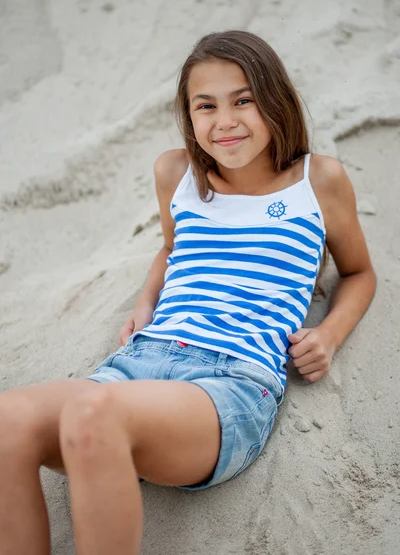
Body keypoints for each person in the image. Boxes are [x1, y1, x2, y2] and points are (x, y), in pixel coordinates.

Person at [0, 30, 376, 555]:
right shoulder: (176, 172)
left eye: (243, 100)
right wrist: (146, 301)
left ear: (276, 99)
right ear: (189, 114)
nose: (224, 120)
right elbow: (174, 248)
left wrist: (330, 334)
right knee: (10, 419)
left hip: (232, 380)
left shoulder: (319, 181)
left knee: (93, 416)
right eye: (206, 105)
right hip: (140, 360)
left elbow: (359, 273)